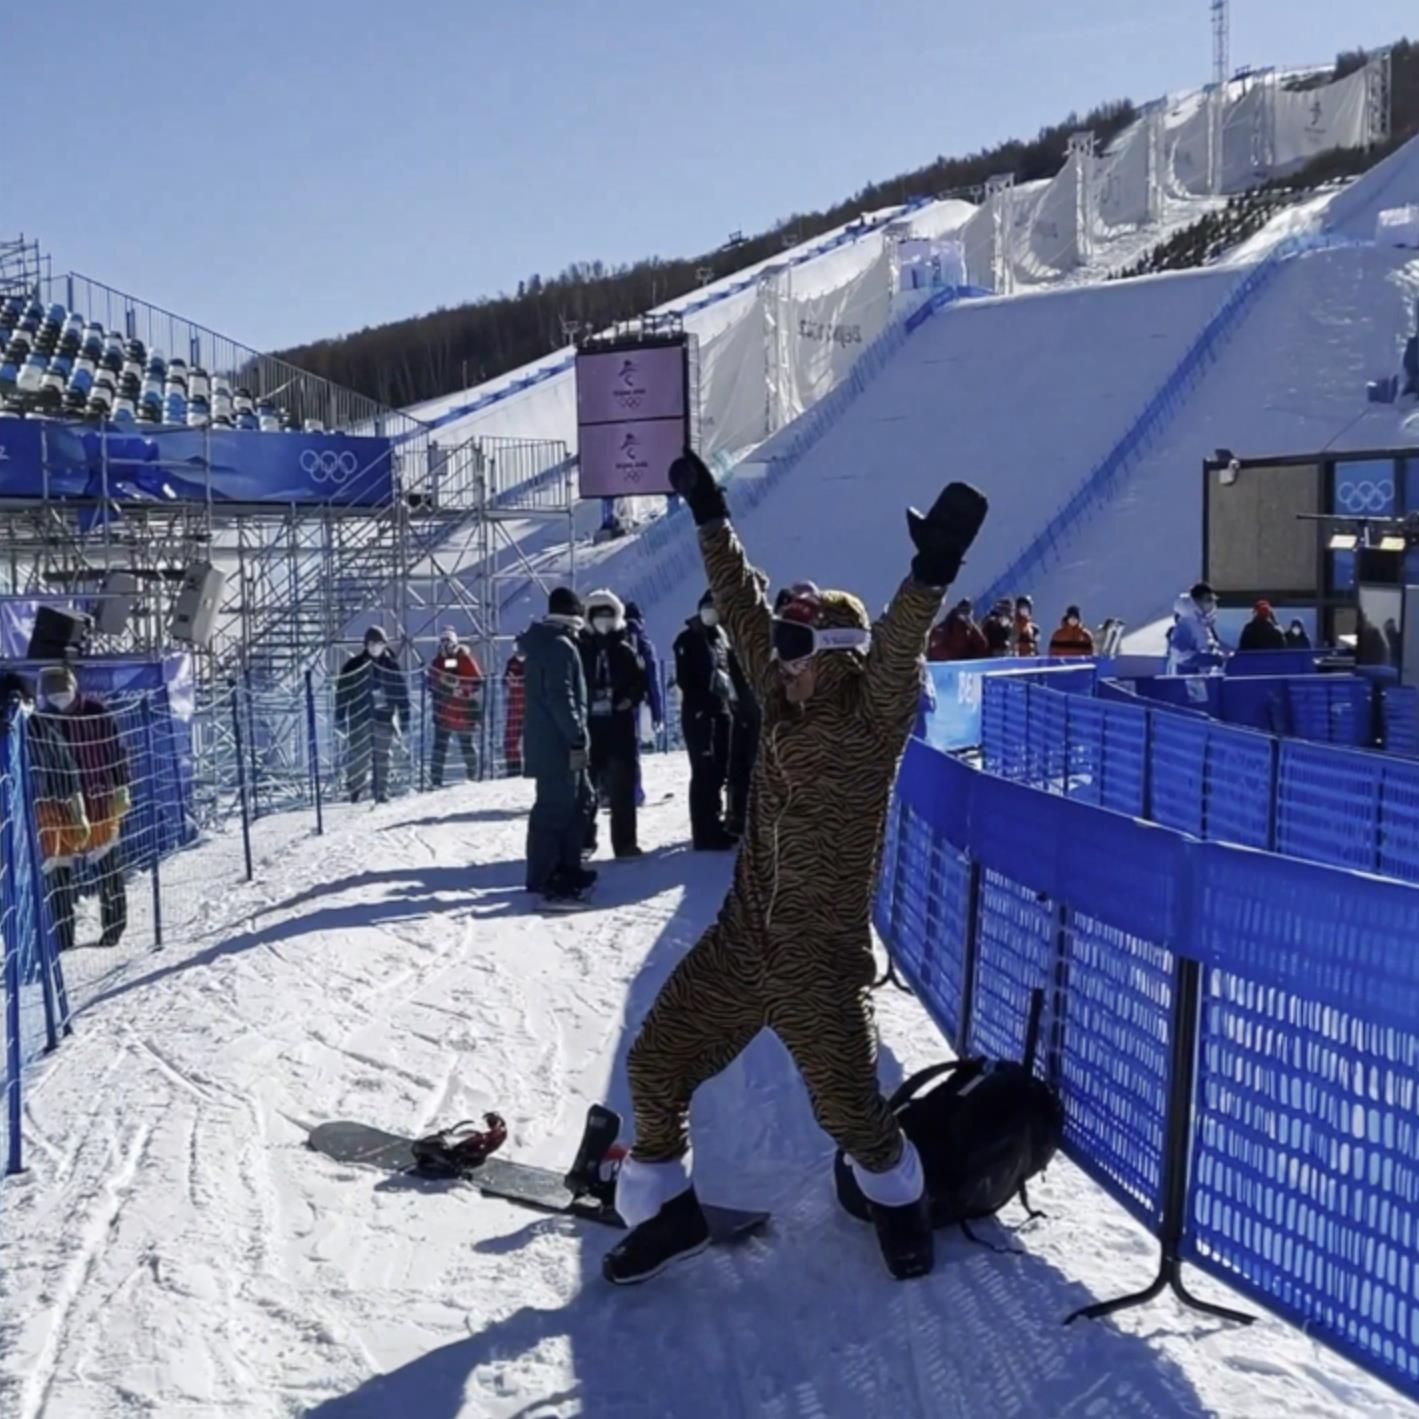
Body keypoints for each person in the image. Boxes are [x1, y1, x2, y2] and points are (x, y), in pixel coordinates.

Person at [605, 448, 988, 1287]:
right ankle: (666, 1208)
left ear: (837, 650)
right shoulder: (780, 697)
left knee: (849, 1111)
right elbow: (740, 602)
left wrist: (932, 567)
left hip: (817, 956)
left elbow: (897, 645)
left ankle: (901, 1203)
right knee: (656, 1059)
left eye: (792, 645)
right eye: (775, 647)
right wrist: (709, 516)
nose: (774, 660)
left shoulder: (869, 715)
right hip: (743, 940)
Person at [32, 665, 131, 950]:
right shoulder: (38, 721)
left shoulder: (97, 713)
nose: (60, 698)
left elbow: (117, 749)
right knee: (58, 869)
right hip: (56, 804)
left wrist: (121, 784)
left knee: (106, 863)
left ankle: (113, 928)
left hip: (97, 797)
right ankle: (62, 935)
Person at [519, 587, 596, 906]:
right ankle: (547, 875)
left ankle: (567, 866)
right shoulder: (560, 646)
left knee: (580, 800)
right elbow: (560, 696)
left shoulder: (546, 644)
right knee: (555, 809)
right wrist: (576, 734)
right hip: (559, 745)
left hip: (552, 742)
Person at [579, 590, 648, 860]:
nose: (604, 620)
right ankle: (584, 840)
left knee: (622, 788)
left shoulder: (624, 650)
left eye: (609, 615)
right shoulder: (581, 648)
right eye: (598, 615)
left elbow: (640, 681)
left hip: (619, 727)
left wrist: (629, 699)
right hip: (589, 727)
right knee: (586, 789)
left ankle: (625, 843)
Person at [673, 589, 737, 850]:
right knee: (703, 770)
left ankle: (716, 821)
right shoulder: (687, 639)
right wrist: (702, 698)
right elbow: (685, 679)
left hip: (721, 709)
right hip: (699, 712)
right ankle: (704, 830)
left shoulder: (720, 638)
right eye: (708, 606)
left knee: (719, 769)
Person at [335, 627, 410, 803]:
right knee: (358, 756)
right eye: (372, 643)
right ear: (366, 645)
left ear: (384, 645)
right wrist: (340, 715)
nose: (375, 647)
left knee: (382, 756)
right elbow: (342, 692)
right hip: (359, 718)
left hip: (383, 718)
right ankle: (355, 788)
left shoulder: (391, 666)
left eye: (379, 643)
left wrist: (404, 716)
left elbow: (401, 694)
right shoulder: (353, 665)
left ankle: (381, 791)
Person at [428, 627, 484, 788]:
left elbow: (477, 681)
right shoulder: (438, 661)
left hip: (463, 710)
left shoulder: (464, 658)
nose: (446, 646)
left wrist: (461, 686)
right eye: (443, 642)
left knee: (467, 744)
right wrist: (442, 685)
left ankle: (472, 776)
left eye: (449, 642)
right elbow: (431, 681)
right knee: (440, 746)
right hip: (444, 710)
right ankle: (435, 780)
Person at [623, 601, 665, 802]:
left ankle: (608, 792)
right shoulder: (642, 641)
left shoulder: (615, 639)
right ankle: (635, 791)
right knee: (632, 750)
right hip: (636, 704)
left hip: (613, 701)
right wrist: (658, 712)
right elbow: (653, 678)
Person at [1167, 582, 1226, 674]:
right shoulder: (1187, 623)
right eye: (1208, 600)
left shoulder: (1202, 623)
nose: (1212, 604)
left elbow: (1207, 646)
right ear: (1196, 601)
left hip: (1201, 677)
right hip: (1188, 679)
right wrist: (1210, 659)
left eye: (1212, 600)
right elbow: (1180, 655)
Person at [503, 651, 526, 777]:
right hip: (514, 705)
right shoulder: (512, 661)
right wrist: (509, 681)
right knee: (510, 739)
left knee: (533, 740)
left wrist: (522, 683)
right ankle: (513, 770)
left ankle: (533, 767)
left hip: (532, 705)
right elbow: (505, 678)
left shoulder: (535, 659)